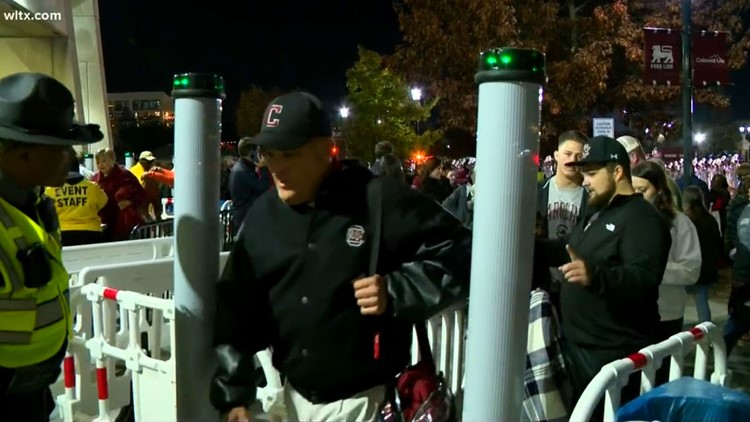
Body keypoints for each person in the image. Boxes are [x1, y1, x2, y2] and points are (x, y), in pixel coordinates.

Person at [210, 92, 471, 422]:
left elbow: (463, 251)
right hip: (291, 397)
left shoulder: (377, 199)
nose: (277, 167)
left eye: (290, 153)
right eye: (269, 154)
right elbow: (236, 309)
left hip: (365, 402)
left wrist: (396, 290)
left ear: (324, 149)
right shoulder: (263, 216)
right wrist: (234, 396)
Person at [536, 136, 671, 411]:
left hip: (614, 357)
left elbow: (644, 279)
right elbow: (569, 249)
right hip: (581, 350)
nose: (585, 181)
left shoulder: (642, 218)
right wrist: (528, 248)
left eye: (592, 173)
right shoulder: (597, 212)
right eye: (584, 173)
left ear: (618, 171)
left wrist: (596, 276)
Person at [0, 72, 103, 420]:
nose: (71, 158)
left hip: (28, 392)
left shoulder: (33, 203)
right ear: (21, 154)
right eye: (61, 148)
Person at [45, 151, 108, 246]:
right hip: (91, 233)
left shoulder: (51, 189)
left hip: (63, 234)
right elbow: (103, 202)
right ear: (78, 168)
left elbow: (47, 212)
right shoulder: (93, 188)